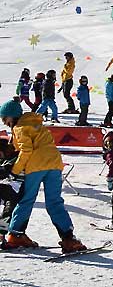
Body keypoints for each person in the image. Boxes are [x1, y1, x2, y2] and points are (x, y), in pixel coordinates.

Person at [0, 99, 86, 252]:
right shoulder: (37, 124)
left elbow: (26, 151)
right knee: (55, 201)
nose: (4, 122)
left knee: (26, 200)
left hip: (35, 165)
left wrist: (14, 171)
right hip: (54, 163)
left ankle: (16, 235)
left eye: (4, 118)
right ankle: (68, 238)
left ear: (12, 116)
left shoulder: (19, 128)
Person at [0, 137, 20, 248]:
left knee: (9, 207)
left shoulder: (14, 158)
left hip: (13, 188)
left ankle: (1, 234)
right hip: (5, 186)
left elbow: (5, 171)